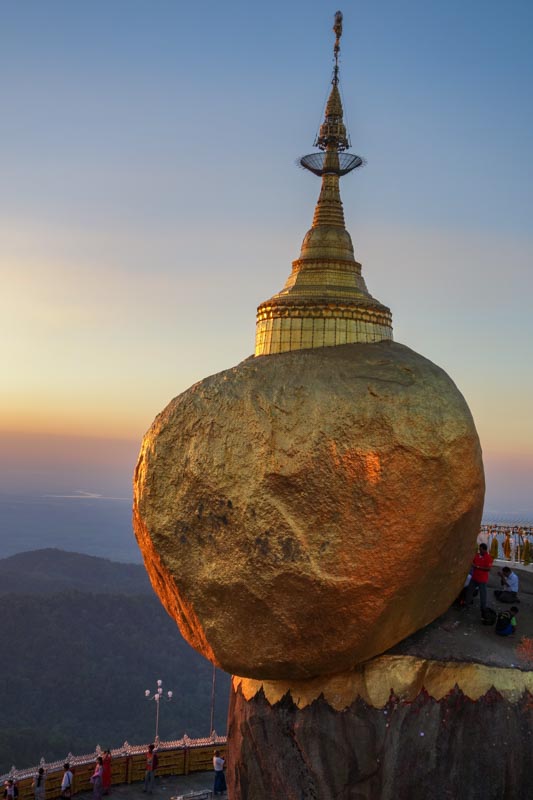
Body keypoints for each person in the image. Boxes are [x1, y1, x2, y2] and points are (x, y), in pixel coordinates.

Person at [465, 543, 493, 615]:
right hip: (475, 577)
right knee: (469, 591)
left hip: (482, 579)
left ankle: (483, 608)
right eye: (479, 549)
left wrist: (477, 567)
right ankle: (467, 604)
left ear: (484, 550)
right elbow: (472, 562)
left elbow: (488, 568)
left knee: (483, 594)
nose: (479, 551)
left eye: (480, 550)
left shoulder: (488, 557)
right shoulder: (477, 555)